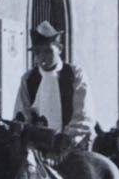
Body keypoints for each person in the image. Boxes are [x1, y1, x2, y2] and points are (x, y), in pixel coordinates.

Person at [13, 21, 92, 151]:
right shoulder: (28, 78)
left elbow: (83, 115)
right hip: (38, 147)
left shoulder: (75, 74)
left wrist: (66, 139)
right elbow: (21, 113)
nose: (42, 57)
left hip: (71, 145)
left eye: (48, 51)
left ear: (59, 49)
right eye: (37, 52)